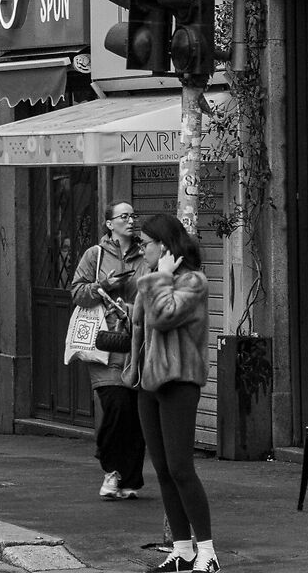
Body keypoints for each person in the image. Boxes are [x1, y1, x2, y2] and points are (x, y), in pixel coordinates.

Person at [126, 213, 215, 573]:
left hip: (179, 382)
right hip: (149, 382)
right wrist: (154, 278)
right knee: (162, 469)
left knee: (181, 468)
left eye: (146, 243)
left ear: (163, 245)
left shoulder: (194, 282)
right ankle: (182, 550)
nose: (141, 249)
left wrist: (159, 277)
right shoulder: (155, 278)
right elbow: (137, 319)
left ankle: (207, 552)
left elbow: (163, 316)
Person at [71, 201, 147, 501]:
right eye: (123, 216)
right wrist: (103, 285)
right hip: (105, 342)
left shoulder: (146, 254)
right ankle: (111, 467)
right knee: (115, 406)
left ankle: (130, 479)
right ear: (109, 224)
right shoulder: (96, 254)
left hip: (137, 342)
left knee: (135, 413)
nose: (130, 220)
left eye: (133, 215)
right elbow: (76, 292)